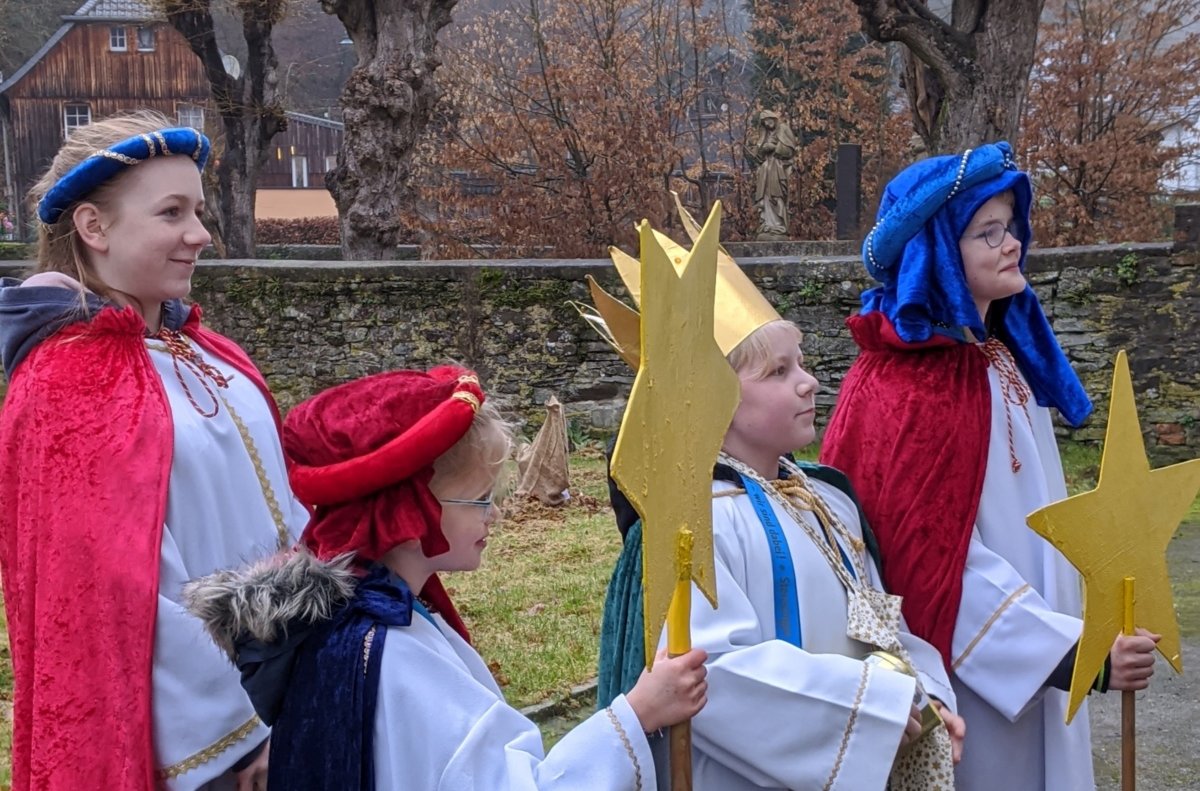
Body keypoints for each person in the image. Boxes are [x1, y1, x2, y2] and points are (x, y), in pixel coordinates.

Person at [183, 366, 710, 790]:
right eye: (480, 499)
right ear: (407, 513)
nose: (494, 515)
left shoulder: (356, 626)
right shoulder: (394, 655)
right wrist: (636, 714)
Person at [820, 141, 1160, 791]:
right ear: (942, 252)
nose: (1013, 244)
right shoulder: (906, 387)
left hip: (1045, 643)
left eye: (1012, 227)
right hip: (971, 681)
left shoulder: (998, 357)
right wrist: (1068, 654)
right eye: (988, 232)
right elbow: (937, 561)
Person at [590, 222, 963, 790]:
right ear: (708, 396)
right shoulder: (697, 521)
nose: (809, 383)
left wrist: (927, 694)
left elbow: (879, 622)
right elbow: (711, 675)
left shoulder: (828, 502)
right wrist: (880, 707)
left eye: (802, 363)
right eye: (778, 372)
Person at [0, 111, 309, 790]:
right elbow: (114, 601)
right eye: (172, 212)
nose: (200, 234)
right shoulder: (65, 387)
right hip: (195, 749)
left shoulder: (208, 353)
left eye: (197, 210)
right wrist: (238, 734)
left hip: (289, 701)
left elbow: (290, 511)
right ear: (94, 227)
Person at [750, 110, 796, 240]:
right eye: (764, 122)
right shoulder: (765, 133)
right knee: (765, 196)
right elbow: (758, 154)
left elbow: (790, 149)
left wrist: (774, 148)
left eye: (769, 120)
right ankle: (767, 224)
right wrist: (760, 148)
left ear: (774, 118)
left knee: (776, 195)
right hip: (766, 168)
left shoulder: (783, 129)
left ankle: (779, 225)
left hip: (778, 167)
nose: (768, 124)